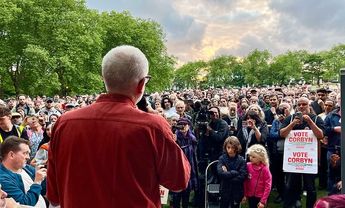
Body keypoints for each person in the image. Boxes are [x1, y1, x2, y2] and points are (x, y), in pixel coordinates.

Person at [46, 45, 190, 208]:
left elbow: (54, 196)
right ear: (142, 84)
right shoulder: (153, 126)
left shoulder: (64, 123)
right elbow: (179, 181)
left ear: (104, 78)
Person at [280, 97, 325, 208]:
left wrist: (309, 122)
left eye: (304, 104)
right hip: (293, 159)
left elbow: (320, 135)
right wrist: (293, 124)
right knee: (290, 185)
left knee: (310, 187)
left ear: (309, 105)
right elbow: (282, 134)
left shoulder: (316, 119)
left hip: (309, 160)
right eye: (299, 104)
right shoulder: (290, 119)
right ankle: (291, 204)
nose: (301, 106)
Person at [0, 136, 47, 207]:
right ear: (11, 155)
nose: (28, 157)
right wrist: (37, 182)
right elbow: (25, 203)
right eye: (25, 153)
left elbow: (44, 189)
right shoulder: (3, 178)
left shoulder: (27, 168)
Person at [171, 118, 198, 208]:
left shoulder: (192, 138)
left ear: (188, 126)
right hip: (177, 168)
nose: (183, 127)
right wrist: (173, 141)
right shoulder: (175, 136)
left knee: (186, 194)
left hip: (189, 167)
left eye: (185, 125)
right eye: (181, 125)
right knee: (176, 195)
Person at [217, 136, 246, 208]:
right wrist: (235, 172)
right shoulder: (222, 158)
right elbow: (220, 173)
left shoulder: (241, 160)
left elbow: (242, 176)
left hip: (237, 190)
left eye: (233, 147)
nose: (230, 150)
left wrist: (227, 175)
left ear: (237, 148)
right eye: (228, 147)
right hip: (224, 189)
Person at [243, 144, 272, 208]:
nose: (250, 158)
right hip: (250, 196)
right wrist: (244, 194)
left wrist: (263, 201)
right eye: (250, 156)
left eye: (253, 157)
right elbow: (245, 181)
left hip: (261, 197)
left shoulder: (265, 169)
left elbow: (268, 186)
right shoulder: (247, 166)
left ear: (260, 157)